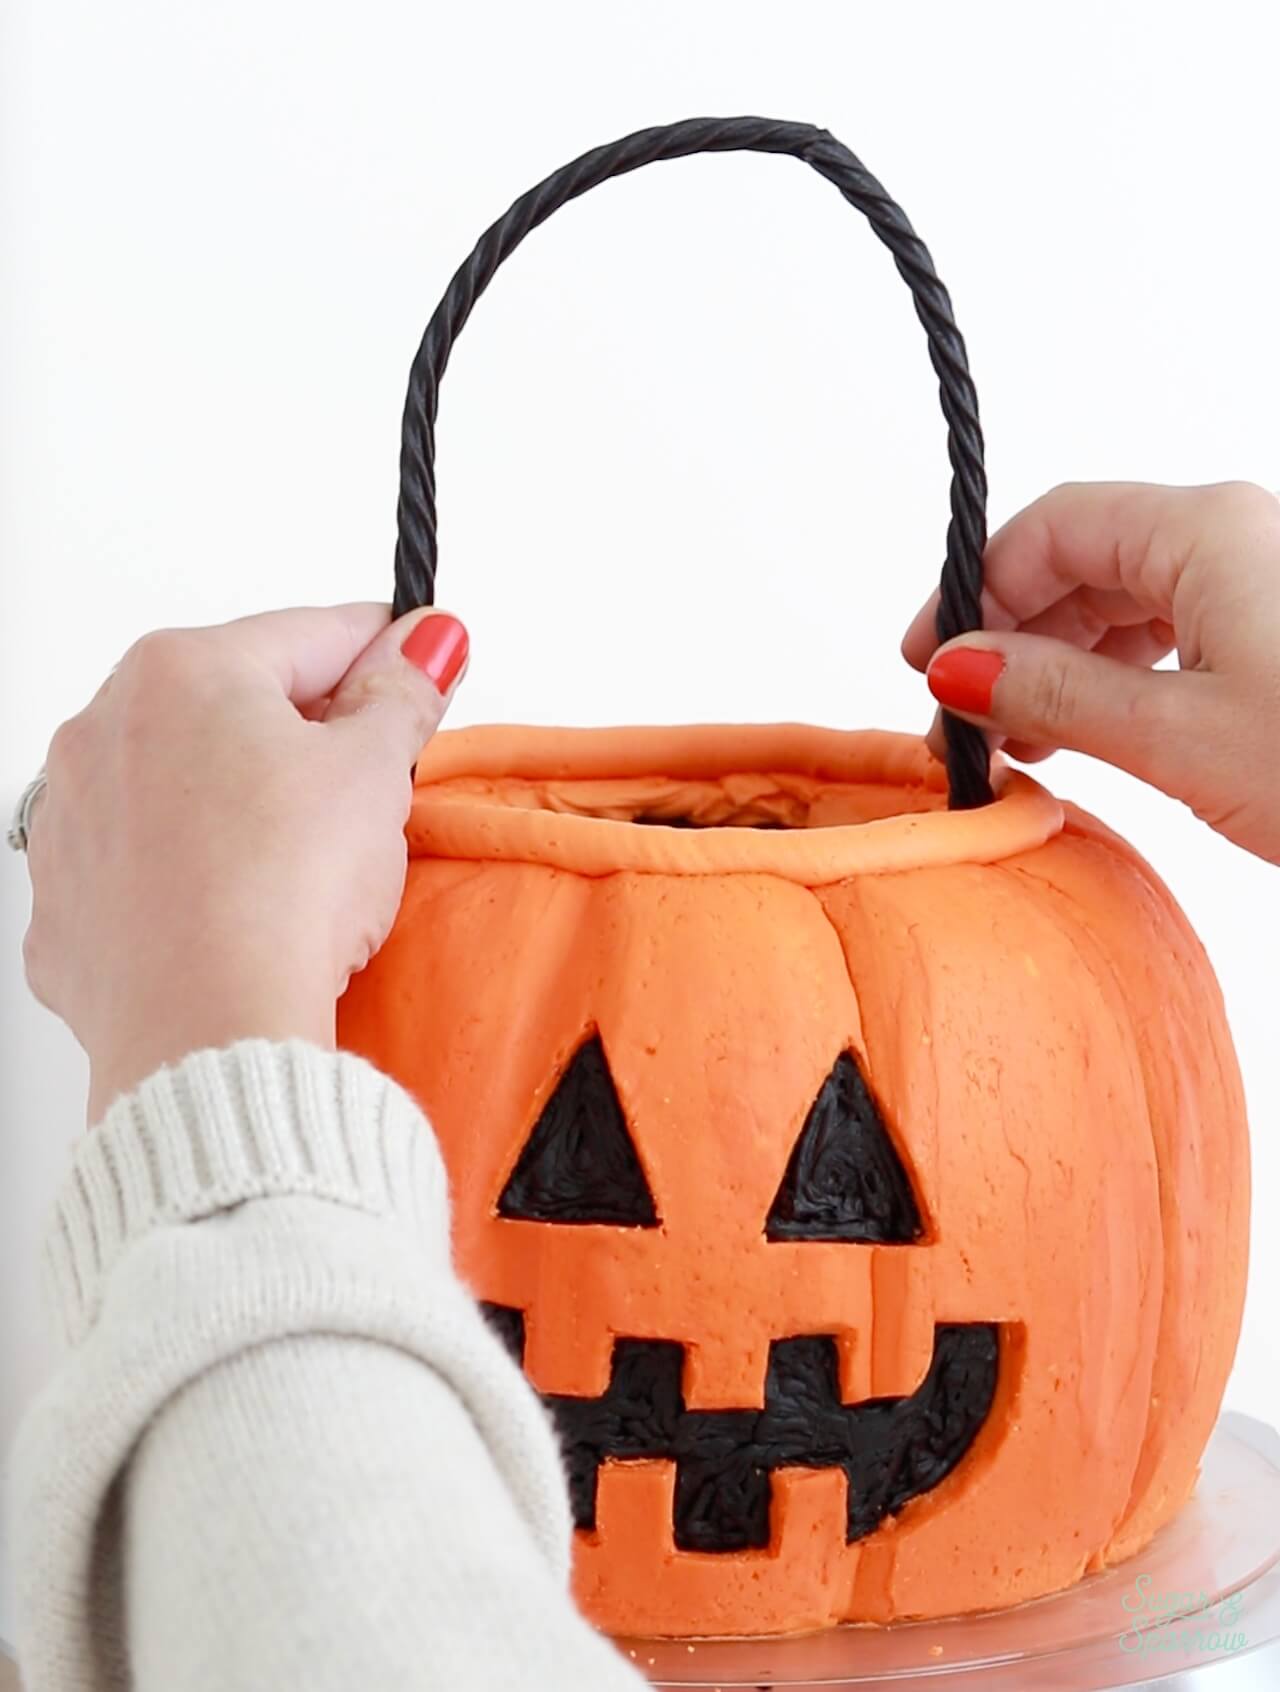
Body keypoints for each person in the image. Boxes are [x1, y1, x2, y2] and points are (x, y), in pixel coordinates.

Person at [8, 479, 1278, 1691]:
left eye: (832, 1170)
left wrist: (202, 1032)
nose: (718, 1277)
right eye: (593, 1165)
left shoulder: (1047, 925)